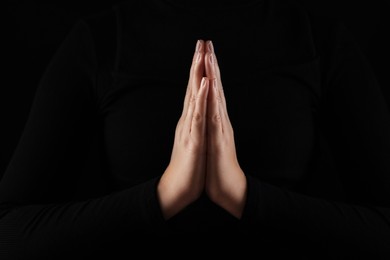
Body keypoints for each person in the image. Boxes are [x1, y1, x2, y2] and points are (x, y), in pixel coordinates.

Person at [1, 0, 390, 258]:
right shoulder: (103, 41)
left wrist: (241, 195)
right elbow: (10, 232)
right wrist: (167, 194)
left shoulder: (317, 39)